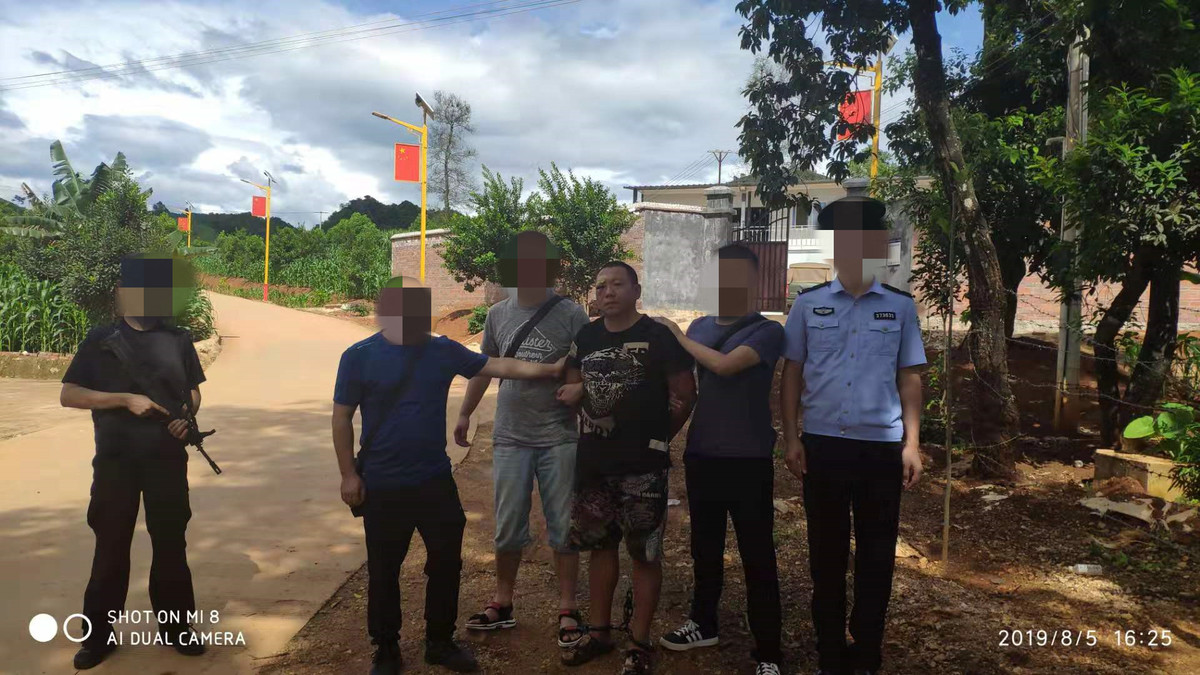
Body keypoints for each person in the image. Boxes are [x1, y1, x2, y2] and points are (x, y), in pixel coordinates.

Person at [332, 275, 568, 675]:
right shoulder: (359, 356)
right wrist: (348, 474)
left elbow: (497, 364)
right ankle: (386, 648)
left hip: (434, 480)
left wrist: (551, 369)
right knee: (384, 569)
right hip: (383, 482)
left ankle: (439, 641)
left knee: (445, 563)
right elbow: (341, 417)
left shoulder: (441, 350)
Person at [780, 196, 926, 675]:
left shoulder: (900, 307)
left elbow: (909, 376)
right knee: (825, 554)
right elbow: (792, 373)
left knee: (877, 554)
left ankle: (866, 650)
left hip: (881, 448)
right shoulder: (808, 304)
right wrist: (792, 438)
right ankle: (829, 650)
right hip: (823, 445)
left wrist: (912, 443)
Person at [60, 254, 208, 669]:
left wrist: (186, 417)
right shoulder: (101, 340)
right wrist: (124, 400)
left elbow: (193, 392)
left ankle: (177, 628)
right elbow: (69, 394)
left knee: (171, 544)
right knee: (111, 546)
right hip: (116, 462)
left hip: (167, 459)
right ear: (122, 293)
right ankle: (97, 637)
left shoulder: (178, 339)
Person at [555, 261, 697, 675]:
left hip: (643, 468)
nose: (608, 292)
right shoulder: (587, 336)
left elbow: (685, 395)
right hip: (594, 465)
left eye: (617, 284)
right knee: (600, 548)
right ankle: (600, 633)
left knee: (645, 554)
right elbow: (571, 387)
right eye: (601, 286)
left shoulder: (658, 336)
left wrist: (659, 439)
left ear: (636, 290)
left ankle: (639, 643)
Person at [653, 245, 785, 675]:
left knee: (757, 554)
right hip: (703, 453)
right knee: (704, 548)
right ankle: (703, 622)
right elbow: (683, 385)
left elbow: (727, 366)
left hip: (748, 458)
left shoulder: (767, 331)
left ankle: (769, 651)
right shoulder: (701, 326)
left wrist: (677, 336)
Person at [455, 232, 591, 647]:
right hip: (511, 435)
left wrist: (581, 389)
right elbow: (484, 368)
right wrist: (465, 413)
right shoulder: (498, 314)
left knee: (563, 525)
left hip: (559, 436)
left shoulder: (572, 314)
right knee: (508, 526)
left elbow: (590, 365)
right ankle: (503, 602)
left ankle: (567, 606)